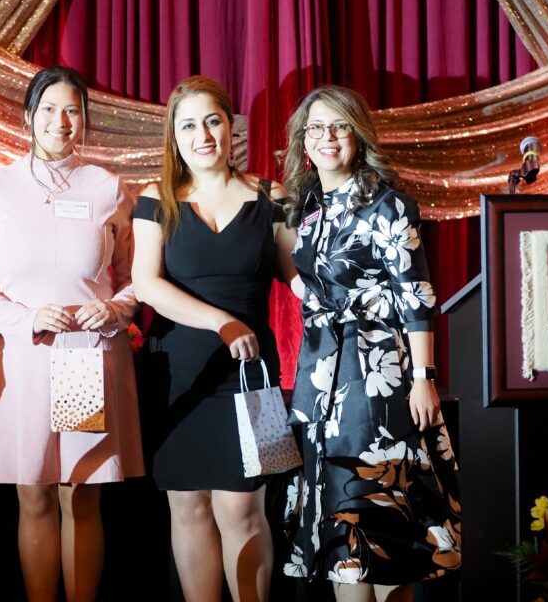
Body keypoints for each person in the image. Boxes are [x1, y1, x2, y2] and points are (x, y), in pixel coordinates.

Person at [0, 65, 144, 602]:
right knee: (34, 495)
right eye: (48, 109)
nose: (60, 121)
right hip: (22, 359)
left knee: (80, 496)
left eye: (71, 110)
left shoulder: (109, 189)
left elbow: (137, 279)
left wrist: (115, 310)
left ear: (83, 120)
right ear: (28, 116)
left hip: (83, 361)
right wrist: (25, 319)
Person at [279, 85, 462, 602]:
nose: (326, 137)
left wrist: (424, 380)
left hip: (374, 373)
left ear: (357, 136)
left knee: (368, 517)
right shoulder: (308, 209)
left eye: (339, 126)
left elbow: (416, 296)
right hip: (319, 377)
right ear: (303, 140)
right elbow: (314, 279)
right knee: (342, 523)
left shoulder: (388, 205)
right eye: (316, 127)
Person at [131, 76, 299, 602]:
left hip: (256, 374)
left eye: (212, 121)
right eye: (188, 125)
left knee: (245, 508)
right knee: (189, 506)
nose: (202, 134)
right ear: (174, 138)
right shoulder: (156, 198)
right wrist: (220, 323)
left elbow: (298, 279)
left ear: (231, 127)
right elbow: (146, 285)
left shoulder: (272, 197)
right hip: (176, 375)